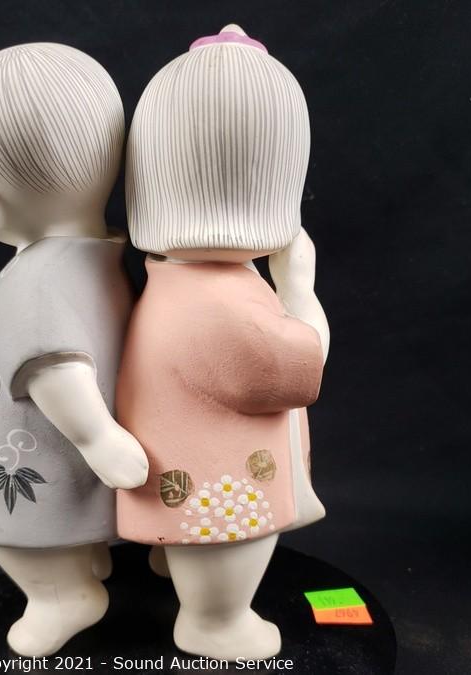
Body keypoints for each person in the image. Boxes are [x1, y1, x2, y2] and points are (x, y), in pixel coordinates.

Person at [116, 25, 330, 660]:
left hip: (176, 451)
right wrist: (299, 290)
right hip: (216, 472)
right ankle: (213, 619)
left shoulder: (176, 278)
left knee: (201, 513)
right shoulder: (223, 301)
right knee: (231, 529)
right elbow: (301, 366)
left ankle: (177, 560)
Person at [0, 43, 148, 657]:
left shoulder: (31, 281)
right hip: (85, 443)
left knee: (9, 526)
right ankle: (84, 554)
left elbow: (52, 364)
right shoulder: (106, 252)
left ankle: (62, 594)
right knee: (68, 500)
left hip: (40, 444)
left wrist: (96, 437)